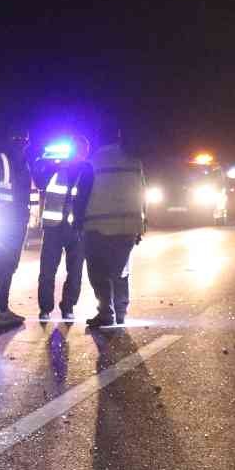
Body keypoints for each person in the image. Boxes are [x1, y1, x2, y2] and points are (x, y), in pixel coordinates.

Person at [72, 128, 146, 328]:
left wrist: (77, 222)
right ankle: (121, 312)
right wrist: (140, 224)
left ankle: (106, 312)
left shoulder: (93, 162)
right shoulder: (135, 162)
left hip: (98, 226)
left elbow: (82, 196)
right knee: (120, 270)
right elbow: (142, 194)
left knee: (99, 272)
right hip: (128, 227)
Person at [35, 135, 91, 322]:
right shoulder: (55, 168)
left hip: (77, 228)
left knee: (75, 272)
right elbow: (39, 181)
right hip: (54, 228)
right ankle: (45, 309)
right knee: (47, 271)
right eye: (78, 150)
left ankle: (68, 307)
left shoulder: (89, 171)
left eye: (82, 151)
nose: (80, 154)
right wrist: (43, 161)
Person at [0, 128, 34, 327]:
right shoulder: (2, 159)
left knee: (10, 265)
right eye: (20, 139)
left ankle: (2, 308)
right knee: (1, 265)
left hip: (17, 221)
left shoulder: (23, 162)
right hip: (4, 222)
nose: (23, 143)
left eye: (24, 140)